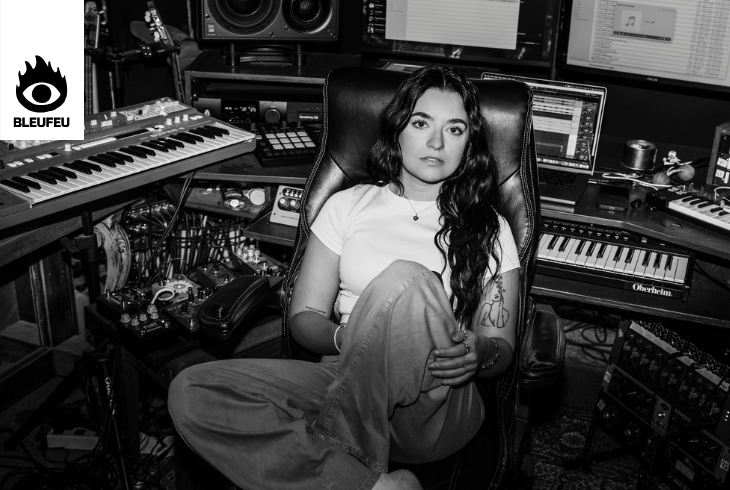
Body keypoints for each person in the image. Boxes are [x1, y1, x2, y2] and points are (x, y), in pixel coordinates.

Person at [168, 65, 520, 490]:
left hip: (435, 398)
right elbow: (305, 317)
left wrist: (480, 351)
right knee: (191, 390)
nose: (436, 142)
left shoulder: (490, 227)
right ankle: (373, 485)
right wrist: (354, 339)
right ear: (397, 129)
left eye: (455, 129)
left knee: (407, 279)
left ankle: (340, 455)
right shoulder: (347, 205)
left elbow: (501, 348)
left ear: (469, 143)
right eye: (421, 123)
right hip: (343, 371)